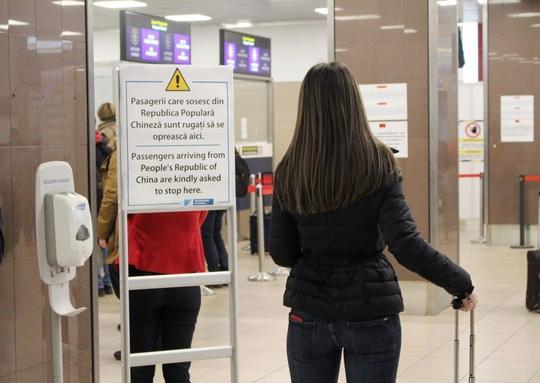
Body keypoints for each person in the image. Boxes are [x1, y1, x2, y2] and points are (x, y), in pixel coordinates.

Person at [269, 62, 478, 383]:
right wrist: (459, 282)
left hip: (308, 310)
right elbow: (406, 244)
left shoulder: (290, 169)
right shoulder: (378, 162)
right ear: (353, 102)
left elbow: (282, 253)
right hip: (370, 311)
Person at [97, 138, 207, 382]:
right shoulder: (196, 163)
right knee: (178, 368)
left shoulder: (137, 159)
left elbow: (116, 202)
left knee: (140, 367)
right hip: (185, 273)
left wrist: (102, 233)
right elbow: (201, 216)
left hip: (142, 270)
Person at [201, 150, 249, 277]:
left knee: (207, 235)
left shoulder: (210, 152)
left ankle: (214, 269)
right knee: (216, 233)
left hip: (210, 197)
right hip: (223, 197)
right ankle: (225, 266)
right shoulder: (229, 151)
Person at [96, 102, 117, 297]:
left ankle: (101, 283)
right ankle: (110, 282)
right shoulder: (125, 131)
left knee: (102, 240)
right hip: (125, 199)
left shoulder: (99, 137)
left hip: (104, 193)